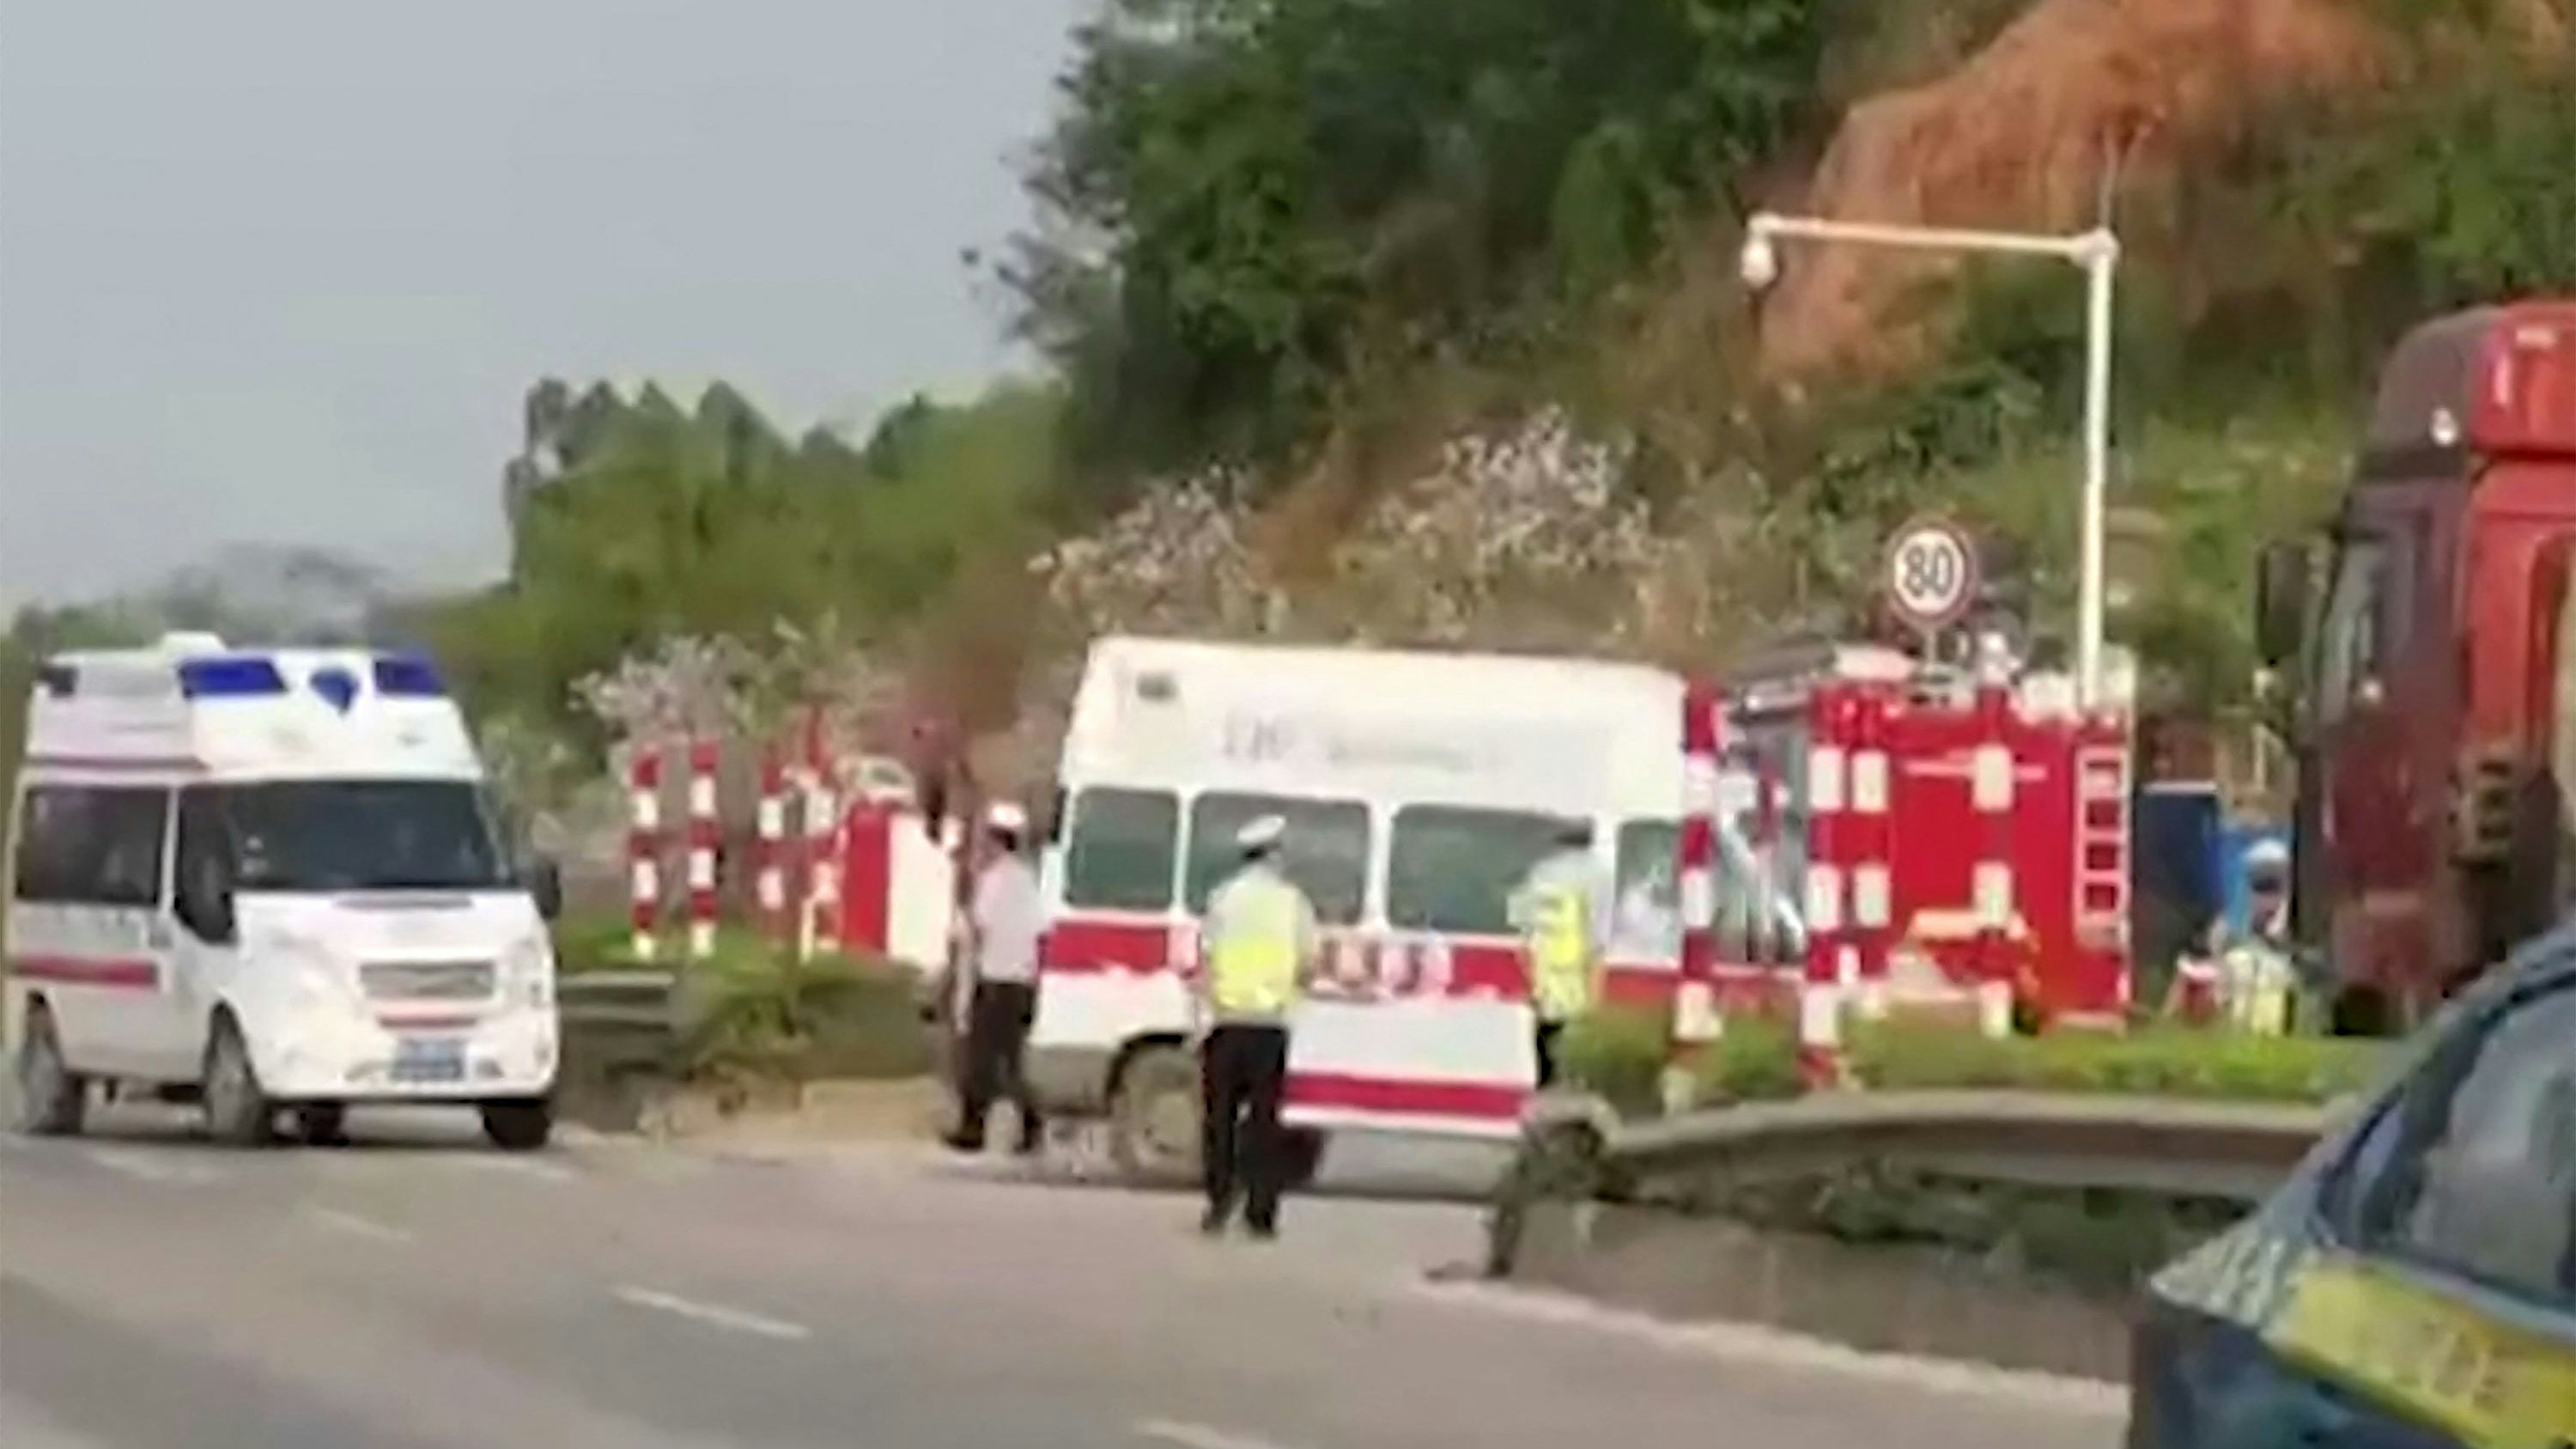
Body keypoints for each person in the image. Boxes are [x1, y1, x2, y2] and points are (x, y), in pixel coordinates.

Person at [1193, 815, 1319, 1239]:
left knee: (1220, 1121)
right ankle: (1260, 1214)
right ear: (1273, 854)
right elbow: (1309, 963)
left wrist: (1202, 1015)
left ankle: (1217, 1204)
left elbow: (1206, 962)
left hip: (1226, 1022)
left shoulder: (1223, 898)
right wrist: (1289, 993)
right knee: (1265, 1123)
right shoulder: (1293, 902)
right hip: (1270, 1026)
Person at [944, 801, 1045, 1155]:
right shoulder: (1030, 881)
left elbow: (979, 928)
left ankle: (974, 1129)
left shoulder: (993, 881)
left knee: (981, 1059)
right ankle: (1031, 1125)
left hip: (995, 977)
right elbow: (1041, 932)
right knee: (1011, 1059)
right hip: (1023, 981)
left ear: (998, 842)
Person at [1512, 819, 1608, 1090]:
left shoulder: (1541, 873)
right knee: (1575, 1040)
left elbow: (1522, 923)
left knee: (1545, 1039)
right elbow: (1599, 930)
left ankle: (1545, 1087)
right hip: (1577, 970)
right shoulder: (1598, 874)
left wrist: (1529, 966)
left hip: (1546, 968)